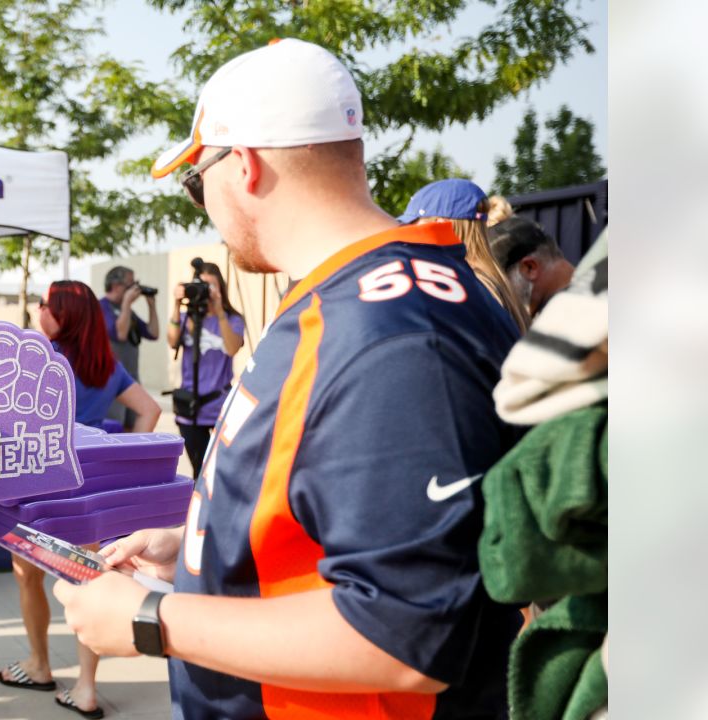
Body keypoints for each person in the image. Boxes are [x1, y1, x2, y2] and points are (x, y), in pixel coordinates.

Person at [54, 39, 524, 719]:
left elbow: (408, 635)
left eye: (196, 182)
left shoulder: (390, 331)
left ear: (242, 164)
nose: (201, 206)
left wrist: (155, 619)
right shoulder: (359, 301)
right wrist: (204, 558)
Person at [0, 279, 160, 719]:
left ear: (62, 314)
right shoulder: (104, 364)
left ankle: (39, 664)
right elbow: (149, 409)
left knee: (27, 577)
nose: (38, 310)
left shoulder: (38, 363)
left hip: (36, 492)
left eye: (45, 305)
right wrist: (122, 460)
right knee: (87, 581)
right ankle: (86, 688)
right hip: (90, 492)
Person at [399, 178, 532, 333]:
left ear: (440, 225)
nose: (408, 236)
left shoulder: (468, 286)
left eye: (414, 226)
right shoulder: (492, 280)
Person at [166, 262, 245, 478]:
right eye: (203, 286)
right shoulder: (185, 318)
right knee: (199, 472)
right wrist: (176, 304)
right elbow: (172, 341)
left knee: (223, 471)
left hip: (219, 405)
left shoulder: (232, 319)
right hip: (190, 409)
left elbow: (231, 348)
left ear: (221, 288)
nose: (206, 292)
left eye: (212, 286)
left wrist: (219, 310)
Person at [99, 266, 158, 430]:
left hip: (132, 378)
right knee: (115, 428)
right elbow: (121, 334)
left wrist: (152, 306)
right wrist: (126, 303)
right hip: (113, 380)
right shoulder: (101, 307)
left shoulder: (128, 311)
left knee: (134, 425)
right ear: (117, 286)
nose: (136, 288)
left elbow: (153, 333)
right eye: (132, 284)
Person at [488, 216, 576, 317]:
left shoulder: (569, 317)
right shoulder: (591, 287)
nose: (499, 300)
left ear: (529, 268)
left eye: (499, 288)